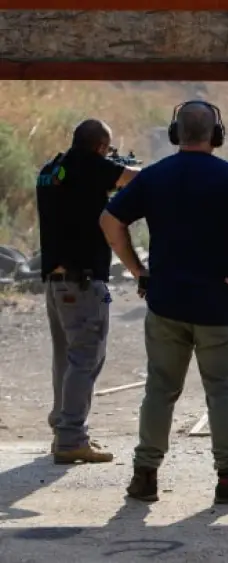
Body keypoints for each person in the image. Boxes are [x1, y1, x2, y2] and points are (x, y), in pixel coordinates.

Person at [99, 100, 228, 504]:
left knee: (160, 389)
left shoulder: (155, 176)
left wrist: (137, 269)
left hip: (166, 303)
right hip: (218, 305)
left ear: (176, 134)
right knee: (223, 391)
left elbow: (110, 220)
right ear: (217, 135)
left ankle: (145, 475)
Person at [36, 118, 141, 464]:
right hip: (82, 281)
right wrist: (123, 167)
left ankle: (62, 430)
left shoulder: (53, 170)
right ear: (99, 147)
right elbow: (137, 180)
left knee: (64, 358)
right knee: (86, 357)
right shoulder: (88, 166)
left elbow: (81, 198)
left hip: (56, 281)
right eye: (107, 150)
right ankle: (71, 438)